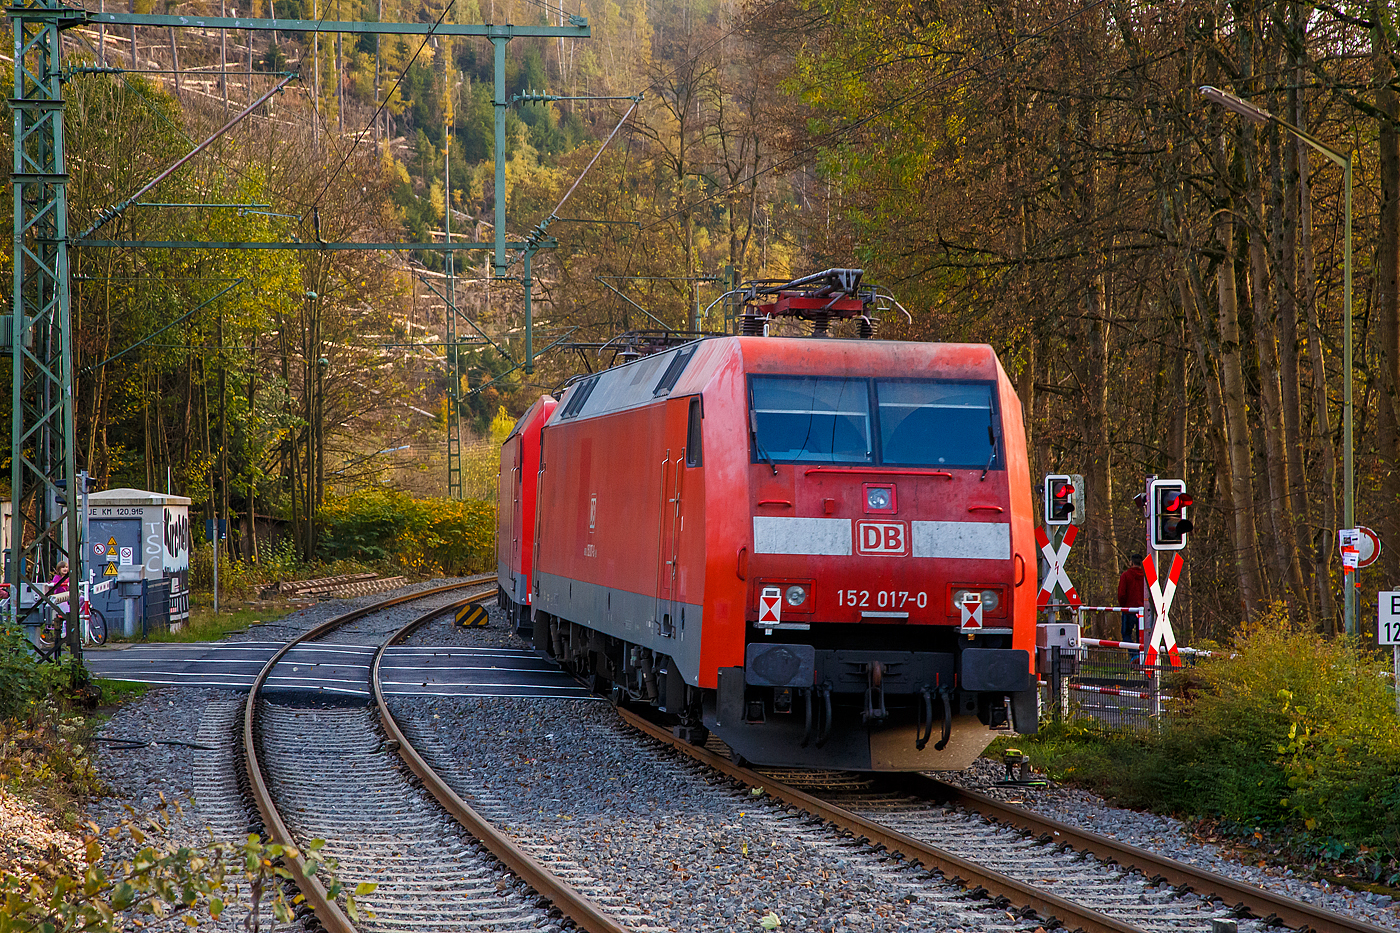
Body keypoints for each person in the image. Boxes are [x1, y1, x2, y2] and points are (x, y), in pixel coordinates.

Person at [1117, 555, 1146, 660]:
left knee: (1126, 634)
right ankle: (1142, 657)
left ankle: (1134, 655)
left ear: (1131, 562)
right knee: (1142, 636)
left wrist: (1123, 606)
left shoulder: (1126, 576)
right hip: (1143, 611)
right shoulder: (1146, 577)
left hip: (1129, 609)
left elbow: (1122, 594)